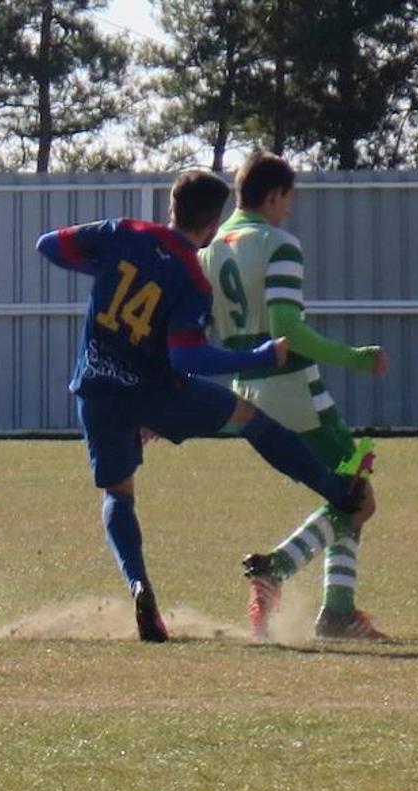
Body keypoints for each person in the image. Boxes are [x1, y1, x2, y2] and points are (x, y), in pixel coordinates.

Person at [36, 169, 375, 644]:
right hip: (159, 392)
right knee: (252, 421)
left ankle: (139, 584)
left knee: (119, 495)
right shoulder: (192, 279)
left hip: (97, 390)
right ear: (212, 223)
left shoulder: (122, 232)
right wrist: (252, 357)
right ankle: (335, 490)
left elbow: (48, 245)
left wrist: (105, 270)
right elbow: (186, 356)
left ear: (171, 204)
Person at [200, 152, 390, 641]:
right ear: (274, 195)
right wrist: (356, 357)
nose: (290, 210)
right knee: (356, 495)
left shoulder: (211, 249)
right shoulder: (279, 244)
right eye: (289, 199)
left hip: (246, 393)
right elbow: (288, 331)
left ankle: (336, 610)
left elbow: (199, 331)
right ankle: (284, 575)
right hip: (293, 387)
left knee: (348, 492)